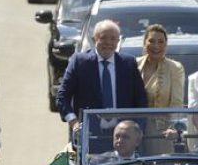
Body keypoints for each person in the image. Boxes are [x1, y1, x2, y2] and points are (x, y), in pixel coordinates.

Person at [57, 20, 148, 148]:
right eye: (103, 38)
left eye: (113, 39)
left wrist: (138, 128)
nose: (108, 43)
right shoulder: (80, 62)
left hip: (123, 138)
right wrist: (74, 122)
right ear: (95, 39)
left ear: (118, 41)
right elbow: (62, 97)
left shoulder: (128, 63)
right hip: (89, 136)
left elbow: (141, 99)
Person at [137, 24, 185, 154]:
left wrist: (174, 129)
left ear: (166, 45)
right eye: (151, 41)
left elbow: (177, 103)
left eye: (160, 42)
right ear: (144, 43)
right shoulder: (134, 64)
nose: (156, 46)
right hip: (135, 131)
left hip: (161, 132)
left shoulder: (175, 68)